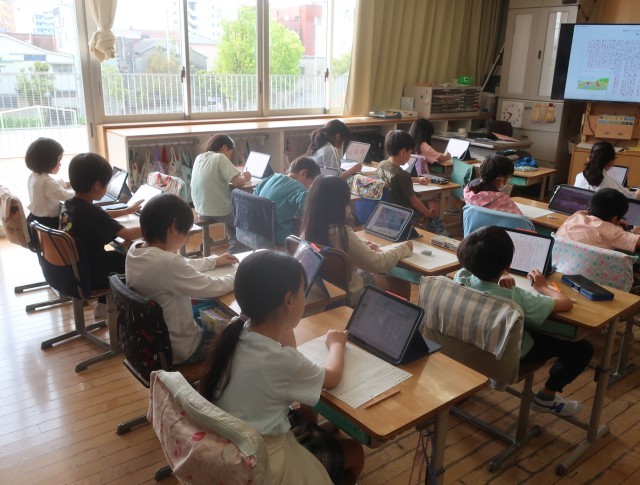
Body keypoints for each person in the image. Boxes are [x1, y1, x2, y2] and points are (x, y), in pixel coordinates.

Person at [198, 250, 364, 485]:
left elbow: (288, 352)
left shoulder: (235, 330)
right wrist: (336, 344)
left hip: (236, 445)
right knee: (355, 452)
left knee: (305, 414)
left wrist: (284, 322)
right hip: (264, 465)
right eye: (303, 292)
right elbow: (333, 377)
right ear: (289, 301)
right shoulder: (281, 361)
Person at [455, 226, 594, 417]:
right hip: (508, 355)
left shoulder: (461, 277)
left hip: (469, 344)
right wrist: (543, 287)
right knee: (583, 349)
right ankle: (546, 397)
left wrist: (503, 274)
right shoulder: (515, 297)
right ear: (508, 265)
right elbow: (566, 303)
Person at [125, 193, 237, 364]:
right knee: (238, 336)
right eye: (186, 232)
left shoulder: (136, 250)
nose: (186, 238)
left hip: (156, 342)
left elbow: (182, 265)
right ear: (174, 227)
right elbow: (213, 287)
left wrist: (213, 261)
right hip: (185, 349)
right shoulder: (167, 263)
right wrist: (240, 275)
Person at [300, 175, 412, 305]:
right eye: (347, 203)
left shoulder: (307, 230)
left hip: (325, 289)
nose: (349, 208)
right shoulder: (342, 233)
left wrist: (362, 248)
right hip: (350, 293)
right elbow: (378, 263)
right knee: (402, 286)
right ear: (339, 205)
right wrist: (404, 247)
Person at [61, 153, 143, 318]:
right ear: (97, 185)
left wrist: (127, 210)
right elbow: (127, 234)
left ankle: (103, 305)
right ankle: (127, 311)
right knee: (134, 264)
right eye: (107, 184)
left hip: (70, 269)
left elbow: (101, 215)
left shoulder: (70, 205)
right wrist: (154, 223)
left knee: (115, 257)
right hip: (90, 274)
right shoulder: (91, 213)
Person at [190, 134, 252, 252]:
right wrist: (246, 177)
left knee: (233, 212)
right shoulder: (220, 157)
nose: (229, 157)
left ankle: (233, 242)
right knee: (243, 219)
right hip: (219, 210)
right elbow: (237, 182)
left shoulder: (200, 157)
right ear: (224, 147)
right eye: (230, 153)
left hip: (200, 208)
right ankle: (236, 250)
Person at [376, 130, 445, 233]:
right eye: (410, 153)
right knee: (433, 204)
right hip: (403, 213)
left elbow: (394, 179)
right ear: (403, 152)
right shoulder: (403, 175)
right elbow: (414, 201)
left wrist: (417, 179)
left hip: (386, 210)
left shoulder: (381, 165)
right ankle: (426, 233)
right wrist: (427, 213)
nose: (410, 156)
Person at [254, 156, 321, 245]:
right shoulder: (298, 189)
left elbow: (253, 198)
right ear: (303, 173)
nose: (309, 188)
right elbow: (313, 211)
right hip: (279, 238)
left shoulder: (272, 177)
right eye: (310, 184)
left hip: (257, 232)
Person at [556, 188, 640, 252]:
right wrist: (636, 233)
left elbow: (585, 213)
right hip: (591, 270)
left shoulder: (576, 217)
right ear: (614, 219)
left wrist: (614, 223)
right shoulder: (613, 232)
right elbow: (637, 242)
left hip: (558, 265)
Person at [25, 137, 75, 229]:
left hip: (35, 219)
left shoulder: (34, 176)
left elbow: (54, 185)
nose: (60, 164)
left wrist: (66, 184)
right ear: (48, 161)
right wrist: (81, 190)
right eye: (59, 160)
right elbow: (68, 197)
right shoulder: (47, 182)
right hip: (49, 223)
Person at [574, 141, 639, 199]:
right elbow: (632, 198)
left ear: (589, 158)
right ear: (611, 162)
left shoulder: (579, 176)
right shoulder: (610, 184)